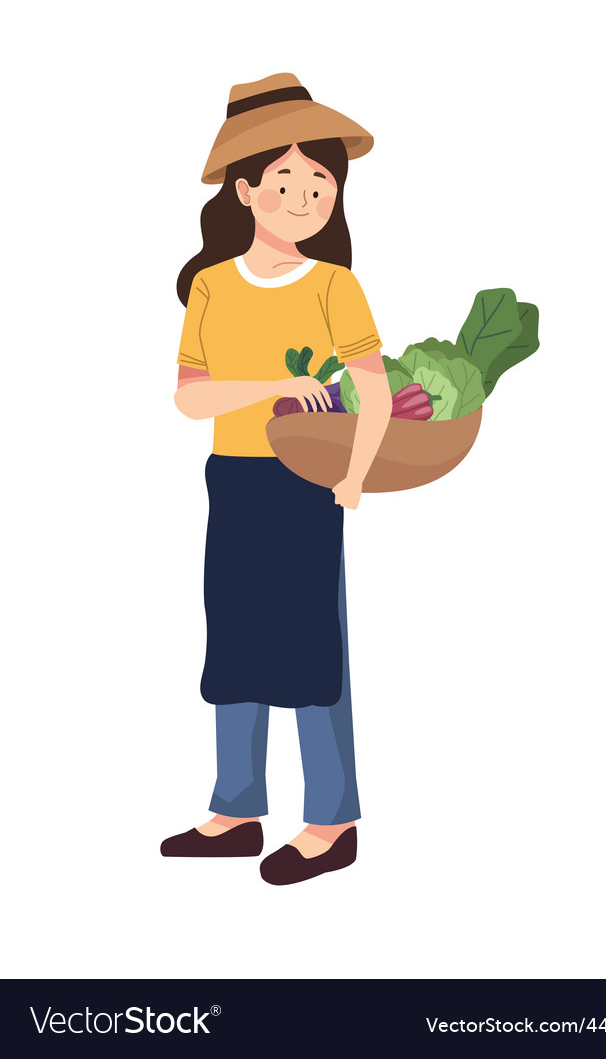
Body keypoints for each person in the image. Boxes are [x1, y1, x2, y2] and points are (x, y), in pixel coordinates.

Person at [160, 73, 392, 885]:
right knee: (237, 644)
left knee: (313, 652)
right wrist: (269, 388)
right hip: (235, 479)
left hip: (311, 484)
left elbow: (371, 388)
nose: (305, 196)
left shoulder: (335, 284)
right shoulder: (213, 287)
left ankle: (333, 820)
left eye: (321, 182)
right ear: (246, 187)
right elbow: (192, 397)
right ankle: (236, 810)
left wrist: (355, 478)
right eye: (287, 179)